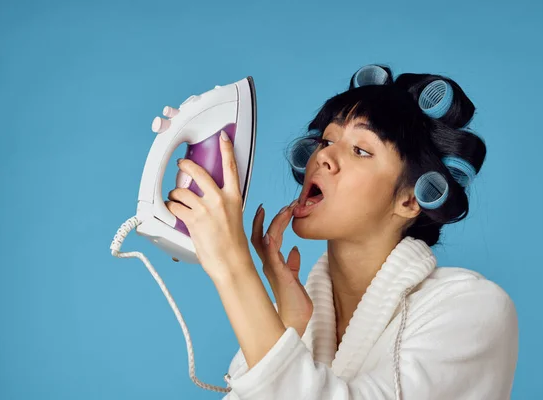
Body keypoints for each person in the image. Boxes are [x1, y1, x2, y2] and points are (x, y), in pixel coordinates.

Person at [221, 65, 518, 399]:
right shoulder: (294, 320)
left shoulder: (472, 309)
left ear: (409, 200)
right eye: (326, 140)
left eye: (360, 150)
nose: (325, 157)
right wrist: (288, 324)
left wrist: (231, 262)